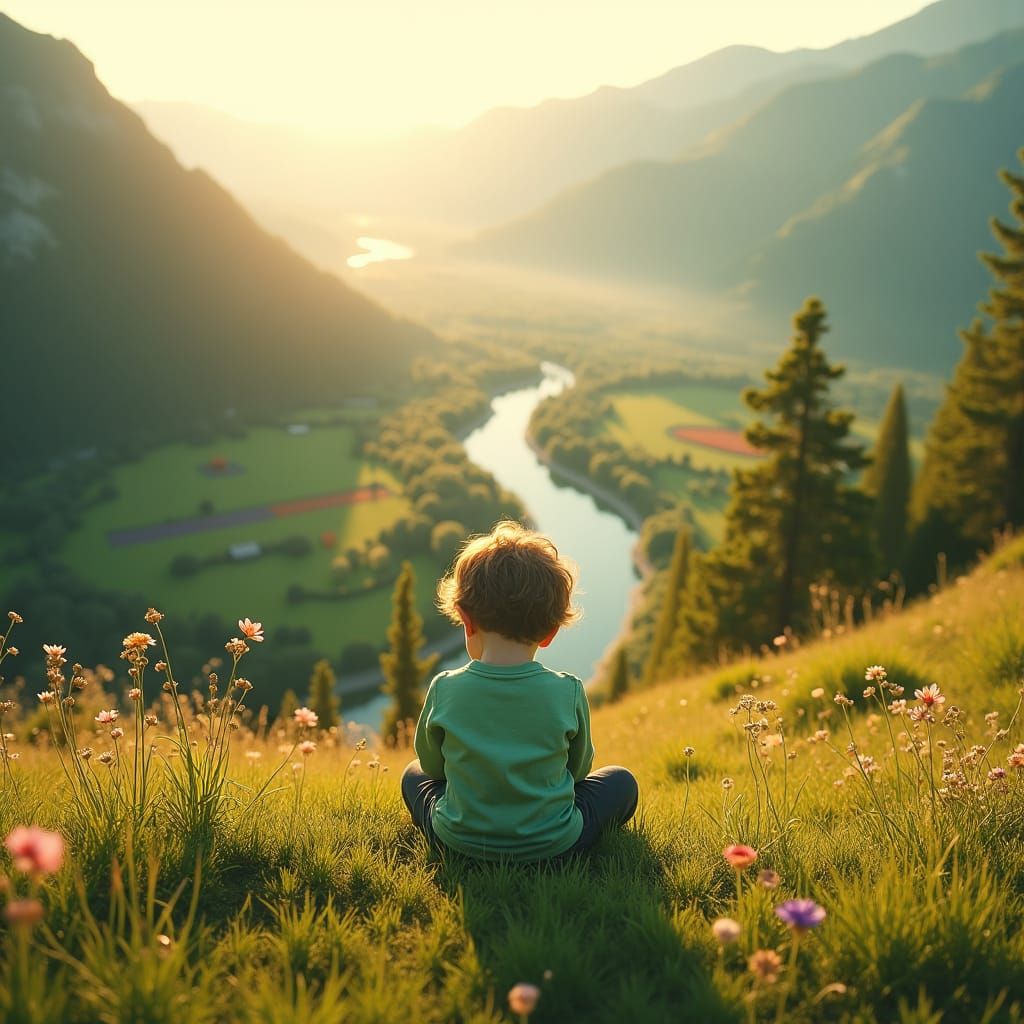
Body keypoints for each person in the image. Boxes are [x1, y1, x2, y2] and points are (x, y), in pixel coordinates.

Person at [401, 520, 638, 861]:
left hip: (457, 842)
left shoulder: (445, 688)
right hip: (556, 844)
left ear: (466, 621)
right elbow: (579, 771)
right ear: (550, 632)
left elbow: (433, 768)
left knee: (413, 774)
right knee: (621, 782)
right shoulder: (567, 691)